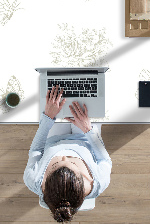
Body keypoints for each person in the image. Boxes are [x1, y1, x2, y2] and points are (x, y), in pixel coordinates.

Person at [23, 85, 112, 222]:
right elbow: (104, 160)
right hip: (86, 139)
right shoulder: (99, 182)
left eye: (56, 164)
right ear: (83, 180)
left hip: (54, 139)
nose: (64, 156)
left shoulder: (33, 180)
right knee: (89, 97)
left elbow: (36, 150)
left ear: (46, 182)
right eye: (72, 162)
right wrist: (88, 129)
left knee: (54, 101)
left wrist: (48, 117)